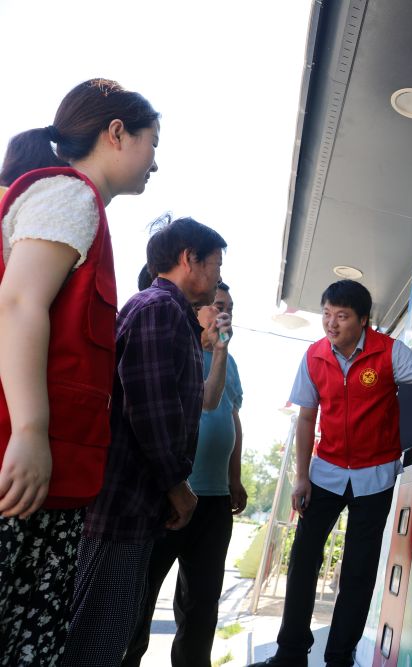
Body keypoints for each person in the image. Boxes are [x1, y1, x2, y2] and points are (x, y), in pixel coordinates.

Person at [249, 280, 412, 667]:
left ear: (363, 320)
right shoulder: (315, 357)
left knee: (359, 571)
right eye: (327, 314)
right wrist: (301, 476)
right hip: (326, 472)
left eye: (342, 316)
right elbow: (306, 418)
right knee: (302, 560)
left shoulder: (388, 352)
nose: (331, 324)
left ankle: (339, 658)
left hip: (375, 477)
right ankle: (290, 654)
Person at [0, 78, 159, 667]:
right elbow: (19, 304)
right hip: (20, 470)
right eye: (151, 142)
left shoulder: (80, 205)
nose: (155, 161)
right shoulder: (70, 196)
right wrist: (29, 431)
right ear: (116, 133)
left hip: (45, 480)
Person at [63, 217, 229, 666]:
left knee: (112, 630)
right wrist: (177, 484)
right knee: (95, 636)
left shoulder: (172, 314)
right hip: (122, 504)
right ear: (189, 258)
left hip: (137, 504)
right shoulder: (159, 309)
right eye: (215, 266)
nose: (217, 279)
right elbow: (150, 407)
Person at [123, 282, 246, 667]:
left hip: (215, 499)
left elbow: (230, 416)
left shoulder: (229, 362)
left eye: (229, 308)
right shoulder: (177, 347)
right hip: (171, 493)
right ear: (197, 310)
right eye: (216, 305)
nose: (223, 314)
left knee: (202, 604)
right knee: (140, 597)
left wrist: (235, 478)